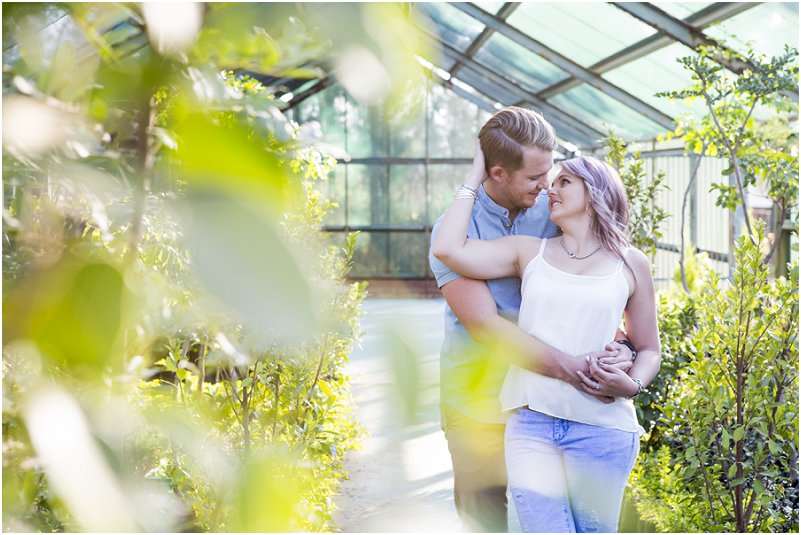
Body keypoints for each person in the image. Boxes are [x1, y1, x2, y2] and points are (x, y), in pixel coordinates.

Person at [427, 107, 636, 532]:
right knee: (485, 521)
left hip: (552, 405)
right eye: (535, 178)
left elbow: (605, 280)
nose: (547, 186)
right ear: (498, 172)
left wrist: (623, 350)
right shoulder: (452, 231)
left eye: (552, 172)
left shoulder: (557, 211)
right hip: (479, 406)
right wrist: (581, 373)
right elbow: (486, 328)